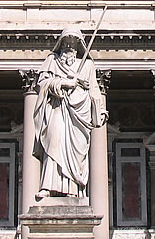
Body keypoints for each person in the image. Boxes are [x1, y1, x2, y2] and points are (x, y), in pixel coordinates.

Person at [33, 27, 108, 198]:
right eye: (66, 42)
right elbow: (42, 83)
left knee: (75, 152)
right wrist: (64, 83)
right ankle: (47, 186)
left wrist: (100, 110)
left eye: (73, 42)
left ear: (79, 45)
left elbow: (94, 90)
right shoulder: (52, 61)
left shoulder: (87, 65)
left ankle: (72, 189)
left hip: (79, 114)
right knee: (53, 140)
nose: (69, 46)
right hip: (58, 108)